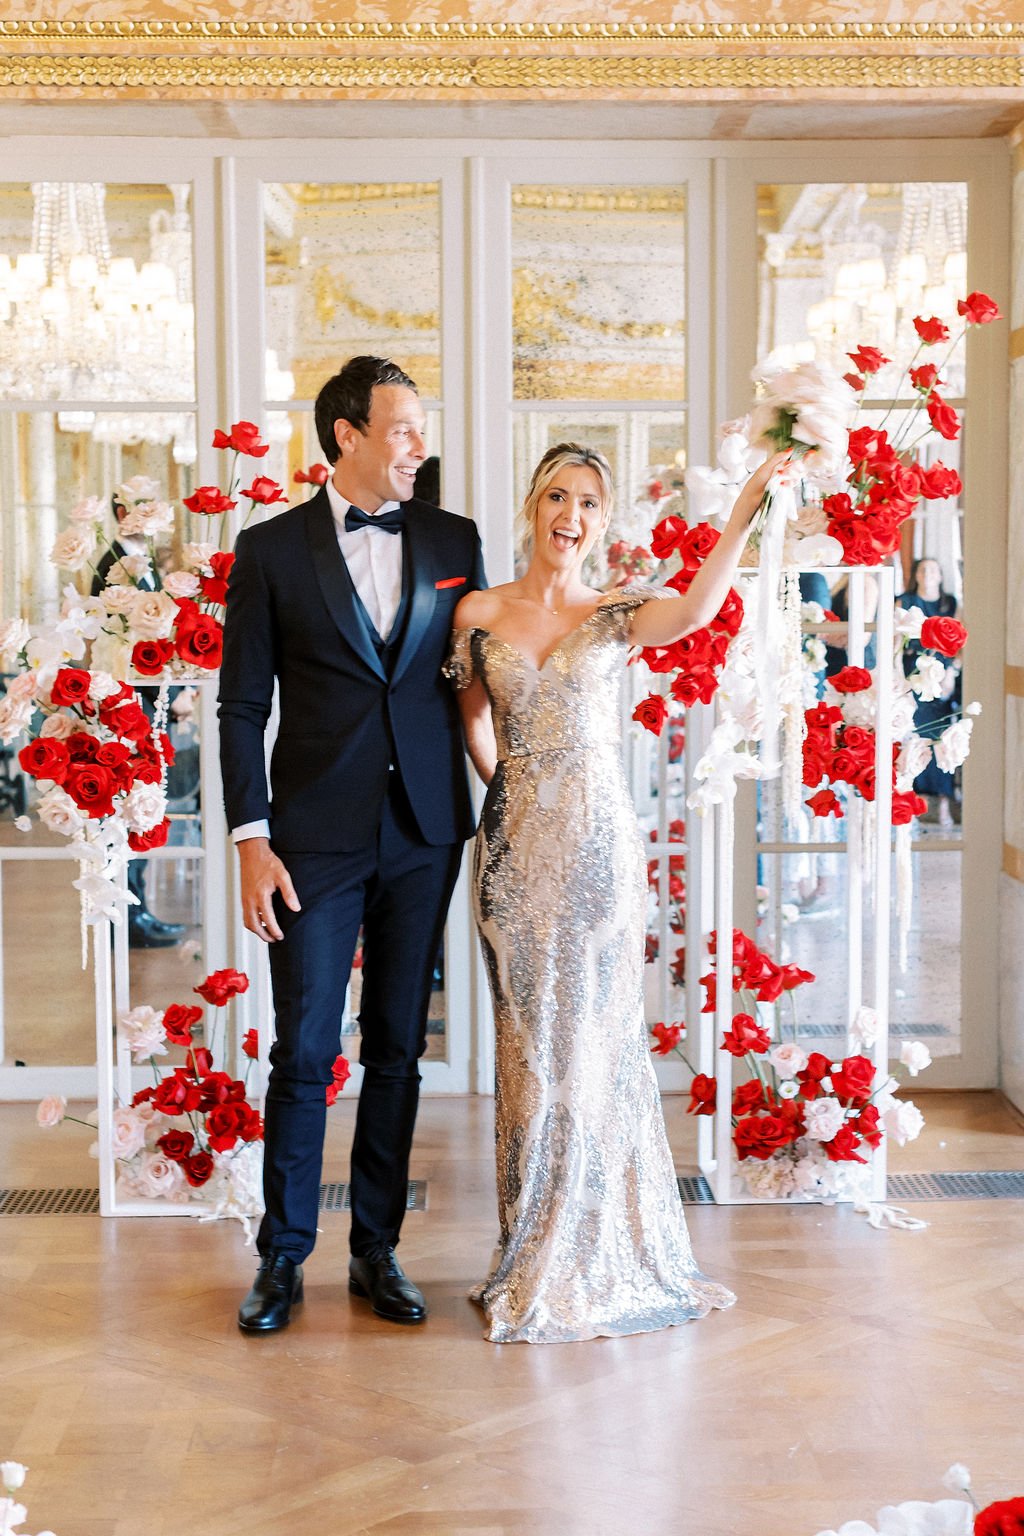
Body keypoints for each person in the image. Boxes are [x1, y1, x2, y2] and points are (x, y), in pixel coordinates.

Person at [445, 440, 786, 1344]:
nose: (572, 515)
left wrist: (749, 502)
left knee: (594, 1040)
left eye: (589, 502)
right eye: (558, 496)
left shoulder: (620, 610)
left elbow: (700, 606)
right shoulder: (479, 611)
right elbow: (472, 721)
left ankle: (600, 1251)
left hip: (598, 847)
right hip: (517, 848)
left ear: (604, 520)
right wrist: (515, 791)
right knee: (528, 1049)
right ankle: (531, 1252)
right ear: (531, 505)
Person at [219, 355, 487, 1334]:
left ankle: (376, 1250)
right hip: (311, 842)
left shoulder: (455, 539)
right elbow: (242, 704)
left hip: (424, 831)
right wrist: (252, 838)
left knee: (399, 1051)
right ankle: (282, 1257)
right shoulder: (271, 550)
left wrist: (521, 786)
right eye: (404, 427)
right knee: (303, 1050)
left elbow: (475, 685)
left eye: (422, 427)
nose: (419, 443)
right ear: (348, 435)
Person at [92, 495, 185, 950]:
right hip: (132, 707)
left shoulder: (137, 562)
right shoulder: (116, 566)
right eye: (147, 508)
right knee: (132, 810)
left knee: (142, 810)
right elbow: (123, 647)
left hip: (147, 704)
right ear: (124, 513)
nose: (157, 516)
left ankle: (137, 910)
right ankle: (128, 917)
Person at [897, 556, 961, 829]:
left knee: (940, 738)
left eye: (933, 569)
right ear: (917, 575)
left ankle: (944, 802)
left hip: (942, 677)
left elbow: (959, 641)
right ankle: (914, 801)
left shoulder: (950, 604)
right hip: (912, 675)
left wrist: (952, 671)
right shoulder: (904, 600)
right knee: (913, 735)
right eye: (923, 569)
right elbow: (895, 641)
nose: (928, 574)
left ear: (940, 575)